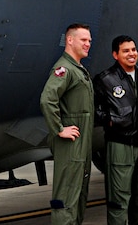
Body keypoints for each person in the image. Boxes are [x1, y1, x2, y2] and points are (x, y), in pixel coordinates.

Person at [93, 35, 138, 225]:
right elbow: (93, 111)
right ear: (115, 55)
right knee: (119, 202)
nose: (132, 54)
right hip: (120, 145)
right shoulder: (105, 79)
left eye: (133, 50)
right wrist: (111, 120)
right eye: (126, 51)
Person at [40, 23, 94, 225]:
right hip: (71, 145)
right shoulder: (64, 69)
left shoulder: (78, 68)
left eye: (89, 40)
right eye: (83, 40)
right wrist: (59, 129)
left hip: (81, 142)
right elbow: (47, 99)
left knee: (78, 195)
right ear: (70, 40)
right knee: (66, 197)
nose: (88, 44)